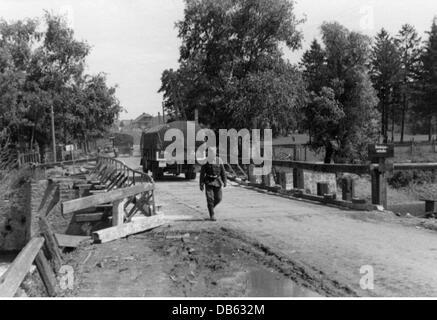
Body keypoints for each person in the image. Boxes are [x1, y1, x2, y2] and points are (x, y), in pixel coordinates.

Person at [199, 147, 227, 221]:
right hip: (208, 181)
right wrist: (201, 184)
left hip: (217, 181)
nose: (212, 154)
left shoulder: (219, 160)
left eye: (213, 152)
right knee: (210, 198)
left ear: (215, 153)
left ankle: (211, 208)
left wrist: (225, 181)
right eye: (210, 153)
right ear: (208, 153)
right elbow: (202, 174)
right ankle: (212, 215)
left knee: (218, 198)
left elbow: (223, 172)